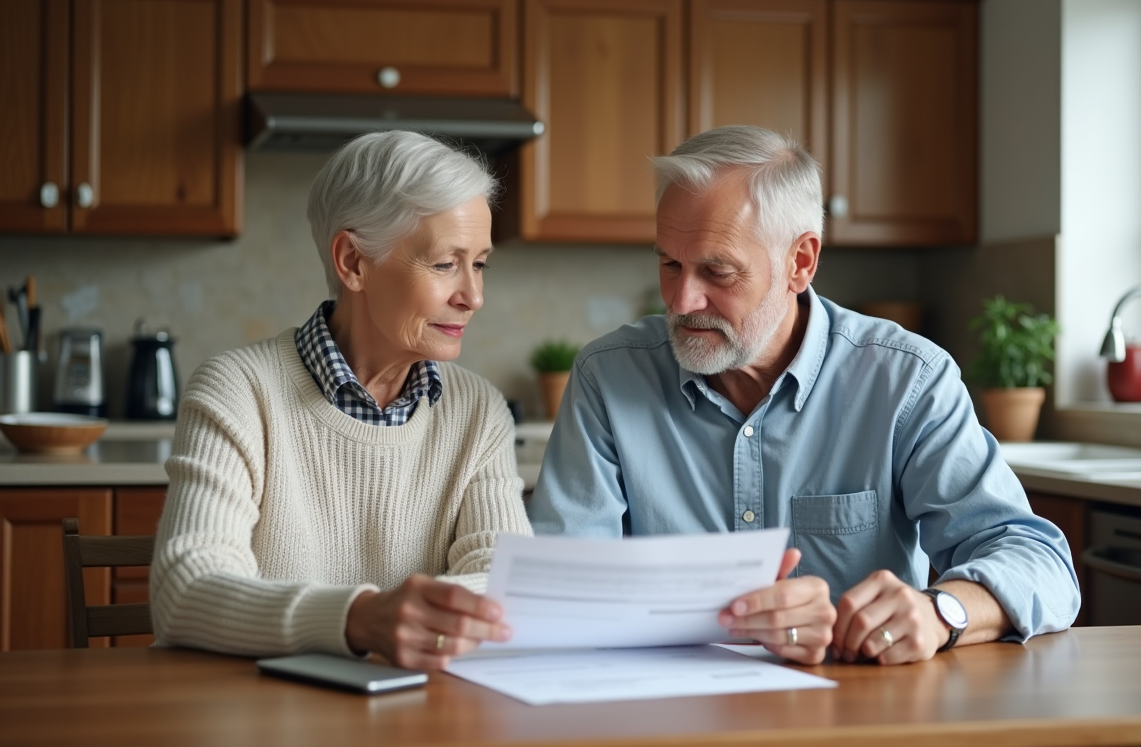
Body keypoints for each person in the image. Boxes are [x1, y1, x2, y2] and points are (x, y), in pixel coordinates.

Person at [527, 125, 1079, 666]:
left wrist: (941, 613)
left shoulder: (907, 380)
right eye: (669, 264)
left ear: (800, 262)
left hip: (857, 716)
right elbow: (563, 589)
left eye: (717, 271)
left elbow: (1039, 561)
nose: (682, 298)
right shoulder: (608, 377)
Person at [151, 131, 531, 671]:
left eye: (481, 264)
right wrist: (362, 618)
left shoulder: (478, 411)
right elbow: (185, 590)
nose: (473, 295)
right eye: (447, 264)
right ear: (354, 262)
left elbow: (504, 578)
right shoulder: (238, 389)